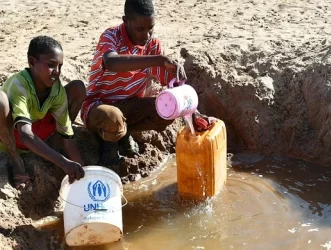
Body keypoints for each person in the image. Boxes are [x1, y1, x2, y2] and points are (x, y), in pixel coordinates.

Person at [81, 0, 211, 166]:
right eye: (140, 29)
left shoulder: (152, 45)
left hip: (130, 107)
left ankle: (123, 133)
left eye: (151, 28)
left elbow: (174, 85)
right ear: (126, 21)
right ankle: (109, 149)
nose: (147, 35)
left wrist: (193, 112)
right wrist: (158, 60)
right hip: (98, 109)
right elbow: (112, 62)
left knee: (168, 110)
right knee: (112, 117)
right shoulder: (111, 36)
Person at [0, 36, 86, 191]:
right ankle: (16, 161)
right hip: (12, 136)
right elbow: (25, 135)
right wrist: (63, 162)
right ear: (32, 62)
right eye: (51, 65)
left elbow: (67, 134)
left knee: (78, 87)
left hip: (38, 133)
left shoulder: (56, 89)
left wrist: (83, 171)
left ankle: (51, 151)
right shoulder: (19, 85)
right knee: (0, 101)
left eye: (60, 66)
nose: (57, 72)